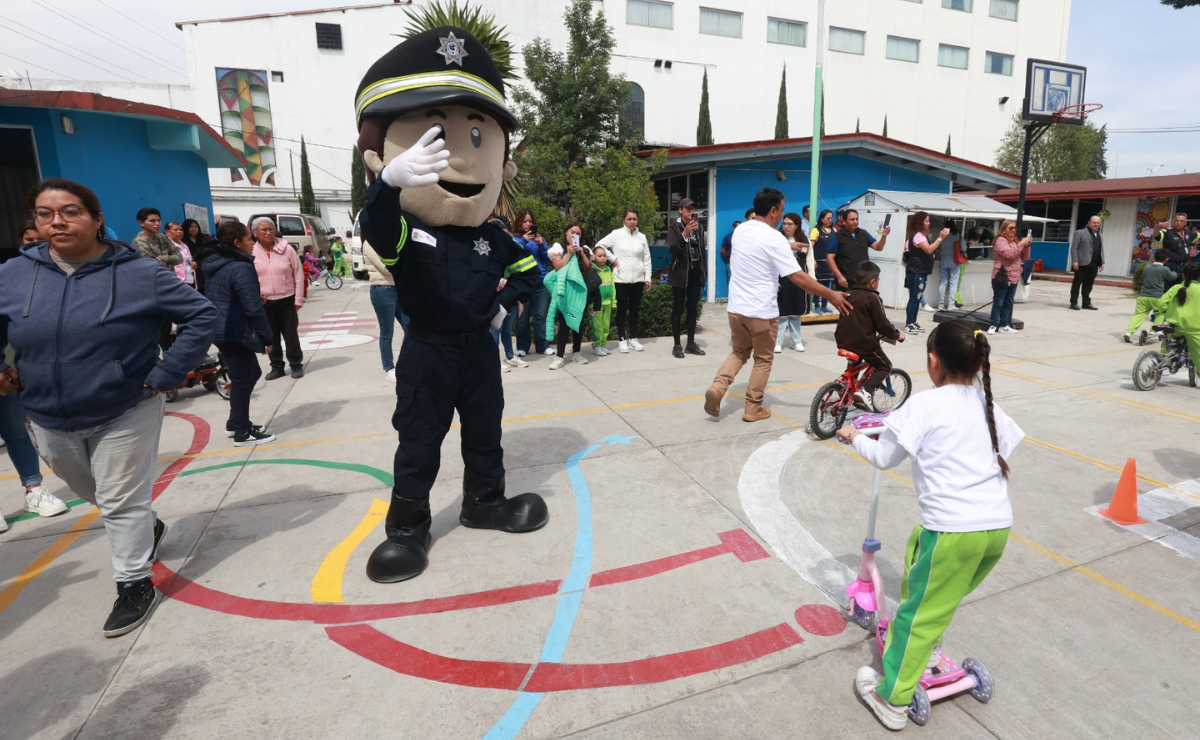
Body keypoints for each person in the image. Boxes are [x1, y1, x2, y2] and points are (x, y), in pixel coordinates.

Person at [355, 25, 547, 584]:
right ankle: (408, 525)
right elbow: (380, 231)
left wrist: (502, 307)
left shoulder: (494, 236)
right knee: (420, 437)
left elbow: (529, 275)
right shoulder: (408, 230)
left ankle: (485, 502)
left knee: (485, 429)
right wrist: (388, 186)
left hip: (478, 351)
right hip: (429, 353)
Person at [0, 178, 217, 636]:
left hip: (126, 405)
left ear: (97, 220)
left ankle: (134, 582)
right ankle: (147, 525)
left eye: (70, 211)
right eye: (44, 213)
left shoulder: (138, 272)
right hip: (46, 413)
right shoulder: (15, 273)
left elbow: (202, 315)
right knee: (93, 492)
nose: (56, 221)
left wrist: (168, 371)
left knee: (119, 500)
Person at [838, 320, 1023, 731]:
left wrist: (854, 435)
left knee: (914, 616)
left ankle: (892, 698)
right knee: (926, 573)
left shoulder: (923, 404)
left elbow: (886, 458)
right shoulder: (985, 402)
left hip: (953, 532)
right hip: (995, 530)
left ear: (932, 361)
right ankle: (930, 646)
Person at [703, 187, 851, 422]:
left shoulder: (741, 230)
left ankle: (718, 388)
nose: (783, 217)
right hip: (761, 311)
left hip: (736, 309)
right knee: (762, 360)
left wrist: (787, 247)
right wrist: (831, 295)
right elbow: (798, 277)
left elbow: (759, 251)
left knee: (739, 352)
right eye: (781, 211)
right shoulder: (775, 239)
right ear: (772, 210)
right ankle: (753, 408)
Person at [200, 222, 276, 446]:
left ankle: (236, 422)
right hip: (234, 330)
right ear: (237, 243)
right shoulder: (240, 266)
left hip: (223, 328)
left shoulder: (217, 263)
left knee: (251, 373)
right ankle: (242, 432)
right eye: (249, 239)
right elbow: (252, 308)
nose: (253, 243)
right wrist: (267, 339)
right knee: (243, 379)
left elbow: (229, 295)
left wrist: (254, 298)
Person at [835, 261, 905, 410]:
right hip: (864, 343)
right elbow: (882, 324)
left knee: (855, 364)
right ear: (873, 282)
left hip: (842, 340)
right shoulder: (873, 298)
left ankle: (847, 390)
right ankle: (866, 392)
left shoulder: (847, 294)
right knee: (885, 366)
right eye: (878, 280)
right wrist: (896, 334)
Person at [251, 216, 306, 380]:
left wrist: (298, 299)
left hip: (287, 299)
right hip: (265, 302)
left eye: (271, 229)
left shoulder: (286, 248)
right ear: (255, 233)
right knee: (271, 336)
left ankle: (296, 365)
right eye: (264, 230)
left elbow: (298, 274)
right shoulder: (252, 252)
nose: (268, 233)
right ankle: (277, 367)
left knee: (291, 335)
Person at [595, 208, 653, 354]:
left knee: (634, 311)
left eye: (634, 219)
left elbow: (646, 258)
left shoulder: (642, 237)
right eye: (629, 219)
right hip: (621, 279)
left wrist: (648, 278)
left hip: (638, 279)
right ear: (624, 220)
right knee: (621, 311)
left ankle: (633, 338)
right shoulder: (617, 234)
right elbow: (599, 245)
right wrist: (613, 259)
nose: (632, 221)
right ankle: (622, 339)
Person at [134, 208, 184, 352]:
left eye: (158, 220)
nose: (157, 224)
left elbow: (179, 257)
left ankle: (175, 350)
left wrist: (164, 258)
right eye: (152, 221)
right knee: (161, 326)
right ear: (141, 223)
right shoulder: (140, 241)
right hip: (154, 288)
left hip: (170, 284)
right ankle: (165, 354)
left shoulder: (163, 238)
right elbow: (152, 264)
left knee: (175, 320)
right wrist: (167, 260)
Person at [364, 239, 410, 381]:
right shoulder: (369, 243)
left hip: (398, 288)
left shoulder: (387, 239)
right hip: (382, 289)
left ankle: (406, 364)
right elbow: (385, 268)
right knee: (387, 332)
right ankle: (389, 368)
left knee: (411, 328)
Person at [666, 197, 707, 358]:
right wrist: (685, 233)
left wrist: (704, 271)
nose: (690, 211)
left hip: (695, 272)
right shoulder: (674, 228)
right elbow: (673, 250)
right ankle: (677, 345)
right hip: (680, 273)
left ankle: (690, 343)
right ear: (680, 210)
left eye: (692, 209)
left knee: (692, 309)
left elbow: (702, 251)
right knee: (678, 309)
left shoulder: (700, 228)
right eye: (687, 209)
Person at [546, 227, 591, 368]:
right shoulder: (559, 248)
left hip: (579, 292)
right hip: (564, 292)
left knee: (578, 323)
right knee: (564, 324)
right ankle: (559, 356)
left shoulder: (584, 249)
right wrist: (569, 253)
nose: (575, 235)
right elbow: (557, 266)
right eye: (572, 232)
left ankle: (576, 352)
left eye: (578, 233)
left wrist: (582, 254)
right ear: (565, 233)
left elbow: (588, 267)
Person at [512, 208, 552, 357]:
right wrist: (524, 240)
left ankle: (542, 345)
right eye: (525, 221)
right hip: (523, 282)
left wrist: (541, 244)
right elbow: (512, 253)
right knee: (522, 317)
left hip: (541, 282)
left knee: (541, 316)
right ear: (519, 222)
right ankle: (523, 346)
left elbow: (548, 258)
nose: (528, 224)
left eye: (530, 221)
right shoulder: (514, 238)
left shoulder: (538, 239)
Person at [903, 211, 950, 334]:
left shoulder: (921, 236)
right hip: (915, 271)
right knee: (914, 298)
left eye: (928, 221)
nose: (928, 223)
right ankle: (909, 323)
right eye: (926, 221)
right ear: (920, 222)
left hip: (921, 271)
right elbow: (928, 249)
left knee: (918, 298)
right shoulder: (917, 236)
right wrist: (940, 238)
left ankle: (913, 321)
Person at [827, 208, 891, 290]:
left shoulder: (863, 233)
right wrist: (839, 276)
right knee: (847, 302)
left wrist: (884, 236)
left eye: (857, 219)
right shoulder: (837, 237)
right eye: (852, 219)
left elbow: (878, 247)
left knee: (863, 302)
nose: (855, 222)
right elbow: (830, 258)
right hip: (846, 281)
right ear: (844, 221)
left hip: (864, 279)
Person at [988, 220, 1031, 334]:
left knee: (1008, 302)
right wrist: (1022, 243)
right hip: (1002, 275)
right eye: (1010, 228)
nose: (1013, 230)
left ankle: (1004, 324)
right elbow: (1009, 254)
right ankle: (993, 324)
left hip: (1014, 275)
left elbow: (1025, 257)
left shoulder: (1015, 241)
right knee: (999, 302)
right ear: (1003, 229)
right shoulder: (1000, 240)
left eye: (1014, 228)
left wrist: (1027, 246)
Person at [1125, 249, 1177, 342]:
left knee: (1139, 314)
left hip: (1143, 296)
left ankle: (1129, 332)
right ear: (1166, 260)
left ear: (1154, 258)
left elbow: (1142, 278)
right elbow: (1172, 277)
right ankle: (1154, 330)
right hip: (1157, 297)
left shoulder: (1147, 268)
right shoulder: (1164, 269)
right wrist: (1176, 272)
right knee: (1160, 313)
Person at [775, 212, 809, 353]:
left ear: (797, 226)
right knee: (782, 313)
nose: (786, 226)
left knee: (795, 311)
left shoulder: (803, 239)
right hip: (781, 278)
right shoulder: (777, 238)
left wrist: (810, 280)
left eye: (790, 224)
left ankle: (797, 341)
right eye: (784, 223)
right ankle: (777, 342)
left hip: (798, 279)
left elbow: (809, 260)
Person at [1156, 262, 1200, 364]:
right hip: (1194, 329)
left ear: (1183, 275)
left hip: (1174, 326)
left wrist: (1166, 312)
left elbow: (1162, 304)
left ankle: (1159, 362)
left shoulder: (1175, 288)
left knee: (1168, 346)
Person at [1068, 215, 1104, 310]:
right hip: (1081, 263)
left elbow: (1101, 249)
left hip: (1094, 263)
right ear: (1089, 223)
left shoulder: (1100, 234)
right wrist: (1075, 261)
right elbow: (1074, 248)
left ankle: (1086, 303)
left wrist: (1102, 262)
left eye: (1098, 223)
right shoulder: (1079, 233)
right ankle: (1073, 303)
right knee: (1077, 283)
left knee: (1089, 284)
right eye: (1094, 222)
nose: (1096, 224)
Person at [1153, 214, 1198, 287]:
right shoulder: (1167, 233)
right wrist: (1158, 227)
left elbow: (1198, 236)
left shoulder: (1188, 233)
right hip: (1171, 265)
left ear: (1185, 223)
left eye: (1181, 221)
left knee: (1182, 287)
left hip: (1184, 266)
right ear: (1173, 222)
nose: (1179, 223)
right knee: (1169, 287)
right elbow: (1156, 235)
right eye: (1177, 221)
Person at [809, 209, 837, 315]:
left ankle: (824, 305)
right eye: (828, 218)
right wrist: (813, 260)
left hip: (830, 263)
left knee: (827, 284)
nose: (830, 220)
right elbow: (811, 247)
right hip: (819, 262)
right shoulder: (816, 231)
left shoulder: (834, 230)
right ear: (821, 219)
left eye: (831, 218)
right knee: (818, 285)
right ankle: (817, 305)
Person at [934, 221, 965, 310]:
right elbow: (964, 248)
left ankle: (940, 304)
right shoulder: (958, 236)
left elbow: (938, 247)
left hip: (943, 260)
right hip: (954, 261)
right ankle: (951, 304)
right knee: (953, 283)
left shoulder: (942, 236)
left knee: (942, 282)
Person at [591, 245, 615, 356]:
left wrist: (613, 301)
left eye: (604, 256)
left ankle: (603, 345)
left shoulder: (608, 269)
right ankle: (597, 345)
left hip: (608, 302)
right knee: (597, 326)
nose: (603, 258)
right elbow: (591, 289)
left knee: (605, 325)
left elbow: (613, 286)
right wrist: (590, 304)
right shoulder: (592, 270)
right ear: (594, 257)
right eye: (599, 256)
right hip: (596, 304)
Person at [164, 221, 197, 289]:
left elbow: (188, 261)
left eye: (181, 230)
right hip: (177, 283)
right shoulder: (166, 246)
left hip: (190, 280)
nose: (179, 232)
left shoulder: (184, 246)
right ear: (167, 232)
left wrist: (193, 264)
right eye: (175, 230)